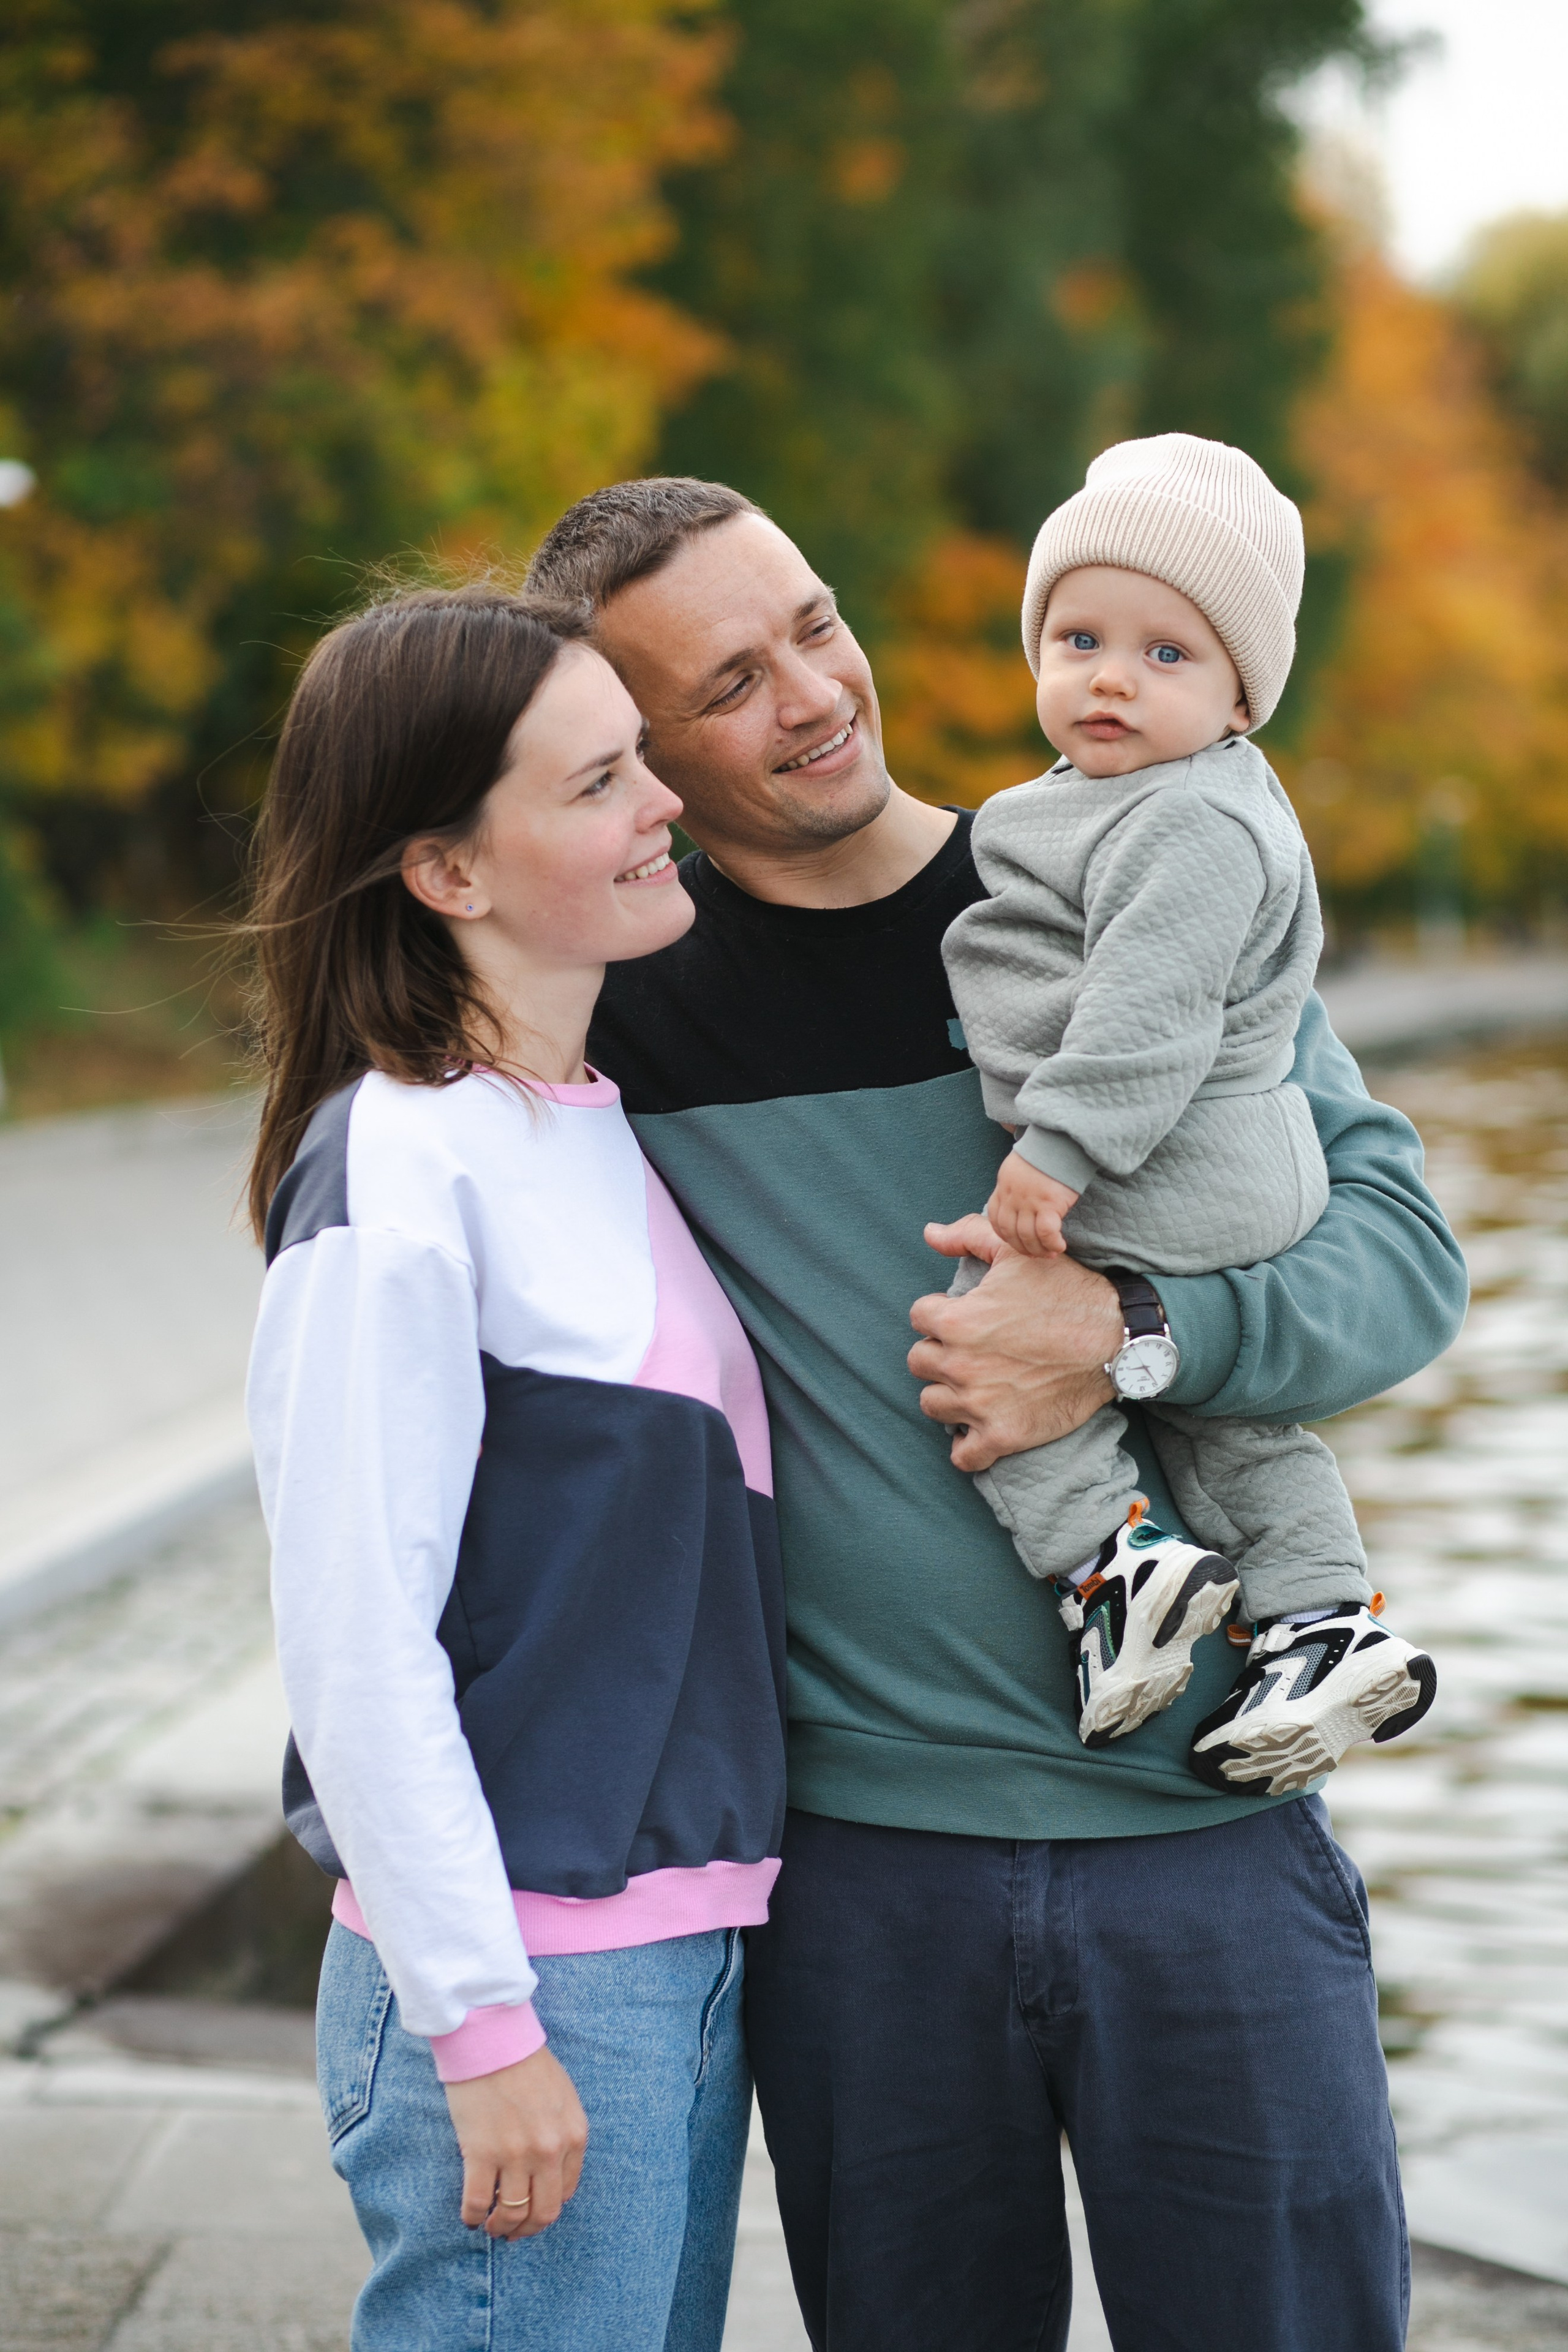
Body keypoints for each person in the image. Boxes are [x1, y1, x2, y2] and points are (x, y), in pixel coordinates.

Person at [529, 478, 1468, 2352]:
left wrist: (1124, 1330)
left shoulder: (1123, 874)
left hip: (1208, 1839)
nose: (813, 693)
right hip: (864, 1880)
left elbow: (1403, 1271)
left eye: (812, 619)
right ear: (639, 753)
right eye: (729, 683)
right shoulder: (620, 1016)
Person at [243, 585, 786, 2352]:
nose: (665, 806)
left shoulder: (586, 1128)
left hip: (672, 1948)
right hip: (536, 1970)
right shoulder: (401, 1162)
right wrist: (482, 2026)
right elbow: (351, 1638)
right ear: (447, 874)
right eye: (600, 783)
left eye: (643, 763)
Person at [941, 432, 1436, 1793]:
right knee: (1234, 1428)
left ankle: (1119, 1562)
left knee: (983, 1331)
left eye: (1166, 654)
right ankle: (1323, 1621)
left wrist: (1056, 1157)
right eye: (1080, 636)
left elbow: (1144, 1017)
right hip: (1215, 1161)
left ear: (1237, 701)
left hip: (1175, 1156)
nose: (1108, 675)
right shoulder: (1104, 797)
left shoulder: (1193, 824)